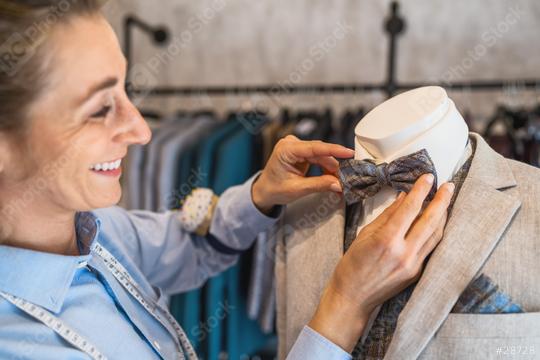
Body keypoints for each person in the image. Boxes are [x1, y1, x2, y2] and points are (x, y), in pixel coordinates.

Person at [0, 1, 455, 359]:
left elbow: (182, 243)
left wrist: (260, 196)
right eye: (100, 109)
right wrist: (346, 303)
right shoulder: (21, 344)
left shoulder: (92, 225)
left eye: (126, 90)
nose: (141, 130)